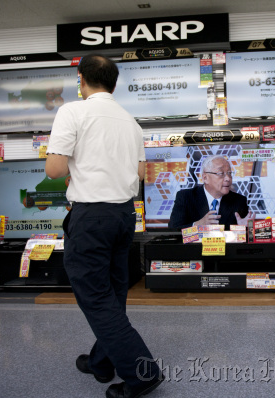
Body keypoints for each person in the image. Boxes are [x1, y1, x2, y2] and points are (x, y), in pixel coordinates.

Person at [45, 54, 162, 398]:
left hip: (91, 217)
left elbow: (54, 170)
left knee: (96, 298)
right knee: (112, 293)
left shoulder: (73, 112)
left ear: (81, 79)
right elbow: (140, 173)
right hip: (124, 216)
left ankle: (143, 374)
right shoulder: (130, 121)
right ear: (113, 83)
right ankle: (101, 361)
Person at [169, 155, 254, 230]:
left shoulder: (239, 201)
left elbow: (245, 237)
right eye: (221, 173)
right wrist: (197, 225)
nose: (228, 178)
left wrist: (244, 229)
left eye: (229, 173)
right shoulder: (185, 197)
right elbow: (173, 231)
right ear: (205, 178)